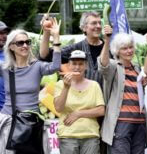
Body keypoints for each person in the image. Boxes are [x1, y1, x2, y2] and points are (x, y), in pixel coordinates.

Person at [0, 22, 61, 153]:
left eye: (28, 42)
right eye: (20, 43)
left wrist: (55, 38)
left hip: (32, 123)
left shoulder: (37, 66)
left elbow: (55, 66)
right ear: (11, 47)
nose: (25, 45)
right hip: (9, 121)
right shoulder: (5, 68)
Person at [99, 26, 147, 154]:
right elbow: (103, 65)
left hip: (140, 122)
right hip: (120, 123)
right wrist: (107, 40)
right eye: (124, 48)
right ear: (117, 51)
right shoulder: (114, 66)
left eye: (130, 47)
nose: (129, 51)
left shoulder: (137, 69)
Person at [54, 50, 105, 154]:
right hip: (68, 135)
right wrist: (66, 88)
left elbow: (101, 110)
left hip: (90, 135)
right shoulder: (60, 84)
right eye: (74, 64)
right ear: (69, 65)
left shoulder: (94, 85)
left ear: (86, 66)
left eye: (81, 64)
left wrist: (79, 113)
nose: (77, 67)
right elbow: (58, 108)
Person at [39, 12, 104, 87]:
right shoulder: (76, 48)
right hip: (82, 96)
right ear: (84, 27)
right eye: (94, 23)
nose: (98, 26)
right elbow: (45, 55)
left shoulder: (109, 48)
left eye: (99, 23)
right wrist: (46, 31)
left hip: (108, 97)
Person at [0, 21, 10, 110]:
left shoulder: (11, 55)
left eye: (5, 33)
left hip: (7, 111)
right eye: (0, 33)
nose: (4, 36)